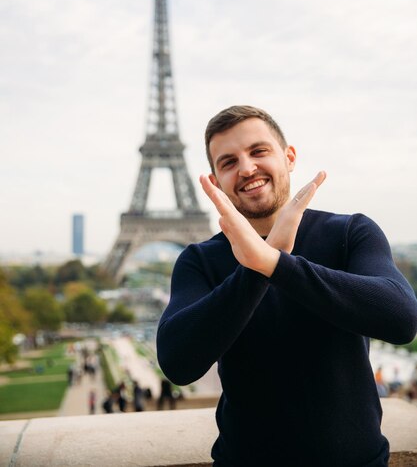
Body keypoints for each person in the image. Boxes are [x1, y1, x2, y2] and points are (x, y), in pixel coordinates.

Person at [157, 105, 417, 467]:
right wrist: (258, 268)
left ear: (289, 157)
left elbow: (402, 318)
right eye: (228, 162)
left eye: (258, 151)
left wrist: (276, 264)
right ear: (215, 182)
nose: (247, 168)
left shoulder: (350, 233)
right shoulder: (199, 260)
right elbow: (178, 363)